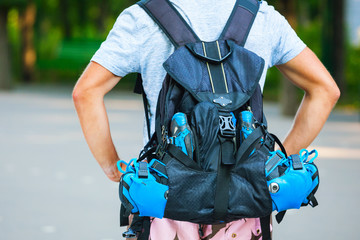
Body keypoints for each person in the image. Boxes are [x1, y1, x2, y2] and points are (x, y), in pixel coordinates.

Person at [73, 0, 340, 239]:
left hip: (165, 200)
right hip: (246, 206)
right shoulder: (262, 17)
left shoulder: (142, 18)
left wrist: (113, 168)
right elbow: (325, 90)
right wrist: (275, 162)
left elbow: (86, 93)